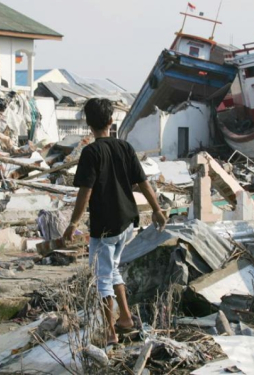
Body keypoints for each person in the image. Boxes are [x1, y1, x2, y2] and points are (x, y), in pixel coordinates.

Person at [63, 98, 166, 346]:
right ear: (112, 121)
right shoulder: (125, 147)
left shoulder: (91, 152)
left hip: (106, 226)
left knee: (102, 279)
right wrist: (157, 210)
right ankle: (127, 318)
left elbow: (85, 192)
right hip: (127, 222)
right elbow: (143, 182)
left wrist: (73, 223)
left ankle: (110, 331)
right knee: (113, 269)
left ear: (88, 124)